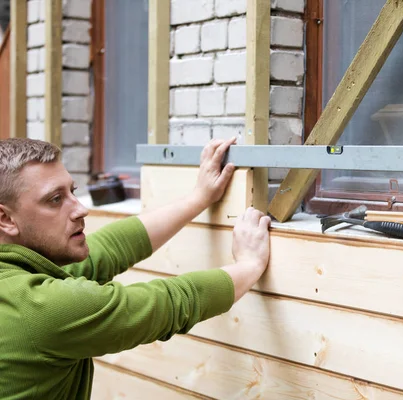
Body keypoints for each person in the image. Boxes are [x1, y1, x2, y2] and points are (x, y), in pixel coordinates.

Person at [0, 137, 271, 399]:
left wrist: (199, 198)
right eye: (55, 200)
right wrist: (250, 265)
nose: (80, 209)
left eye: (73, 191)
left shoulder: (16, 279)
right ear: (6, 218)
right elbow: (166, 304)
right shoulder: (37, 308)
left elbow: (110, 248)